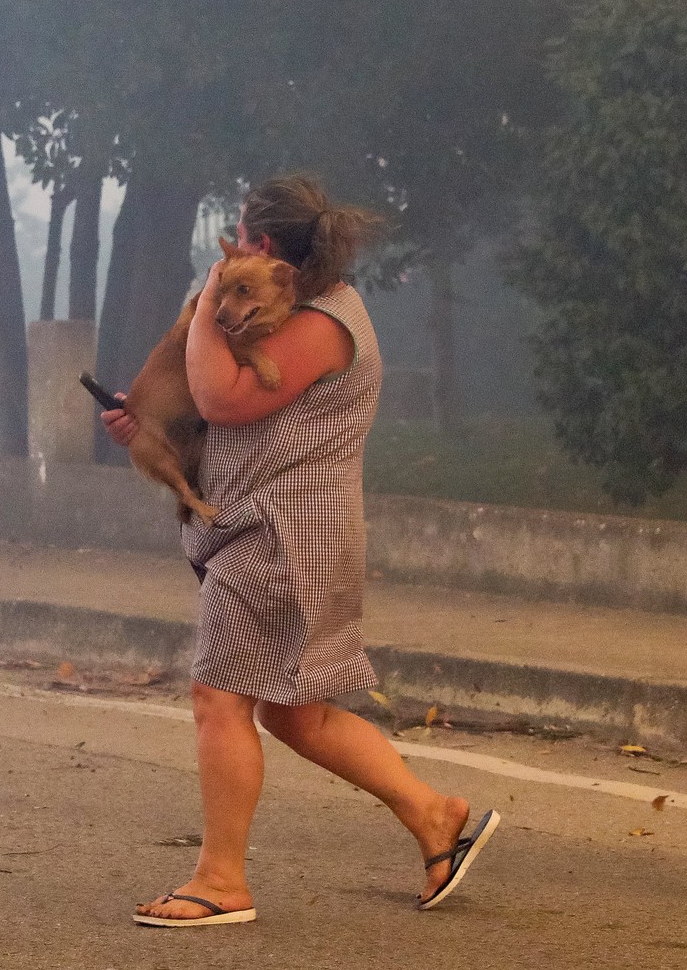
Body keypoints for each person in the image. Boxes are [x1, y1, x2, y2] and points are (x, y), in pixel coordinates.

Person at [105, 175, 499, 926]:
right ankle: (434, 816)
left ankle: (220, 882)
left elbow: (223, 397)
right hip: (278, 532)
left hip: (279, 538)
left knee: (218, 699)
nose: (230, 278)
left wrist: (207, 299)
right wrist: (149, 422)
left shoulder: (324, 322)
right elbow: (210, 406)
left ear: (261, 247)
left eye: (241, 243)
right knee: (297, 715)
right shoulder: (291, 312)